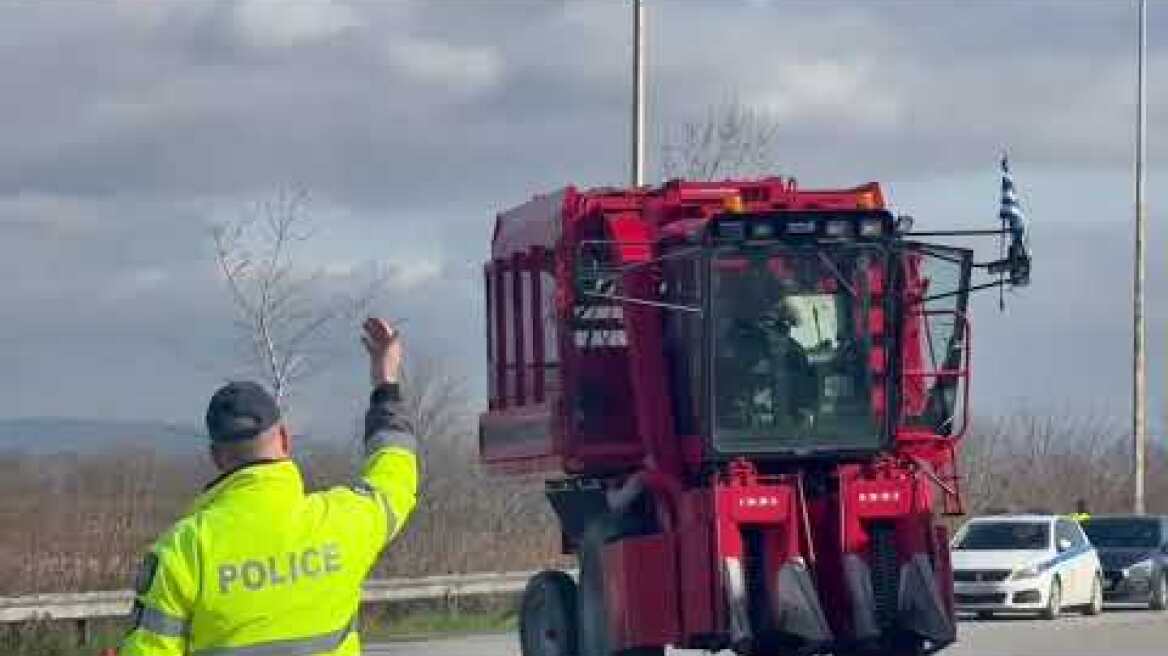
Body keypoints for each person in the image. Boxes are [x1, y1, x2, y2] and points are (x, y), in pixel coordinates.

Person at [116, 318, 418, 656]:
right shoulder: (341, 523)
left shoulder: (184, 550)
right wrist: (385, 382)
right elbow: (395, 475)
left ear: (217, 457)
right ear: (285, 439)